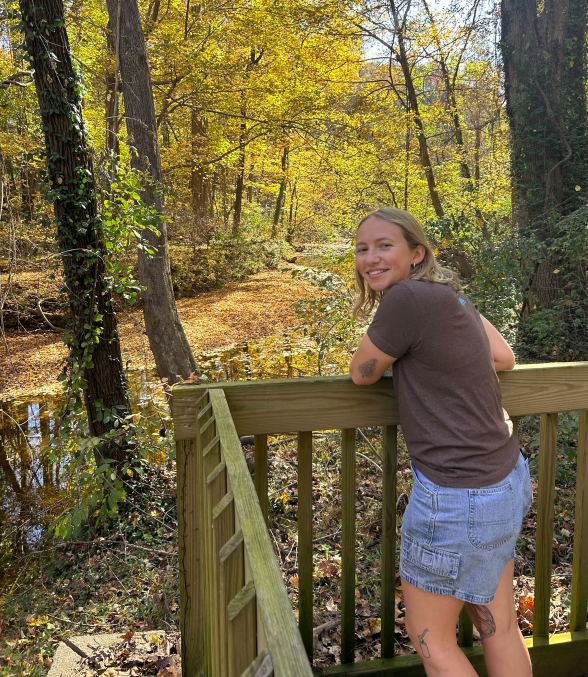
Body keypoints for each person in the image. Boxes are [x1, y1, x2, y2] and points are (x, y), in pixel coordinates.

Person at [349, 208, 533, 677]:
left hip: (456, 497)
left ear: (417, 253)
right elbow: (504, 356)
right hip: (504, 479)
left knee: (431, 640)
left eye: (384, 245)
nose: (370, 258)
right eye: (362, 249)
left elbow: (362, 373)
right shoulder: (449, 296)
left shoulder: (407, 298)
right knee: (499, 627)